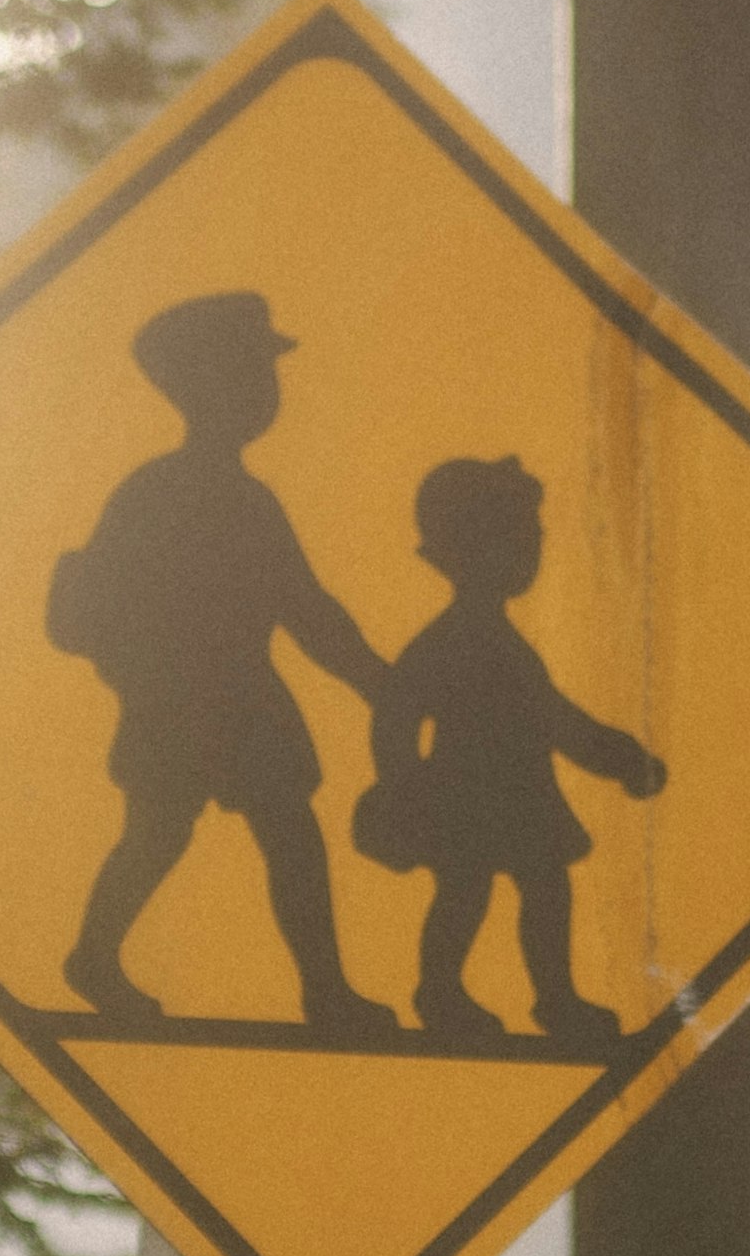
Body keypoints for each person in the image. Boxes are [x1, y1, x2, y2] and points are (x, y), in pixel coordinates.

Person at [50, 289, 394, 1036]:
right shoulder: (156, 492)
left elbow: (306, 608)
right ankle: (94, 956)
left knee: (288, 831)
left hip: (245, 696)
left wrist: (378, 683)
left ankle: (326, 990)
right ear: (205, 388)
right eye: (249, 375)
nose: (264, 393)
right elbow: (119, 601)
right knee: (160, 831)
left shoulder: (247, 497)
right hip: (176, 702)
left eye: (264, 377)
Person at [352, 453, 663, 1048]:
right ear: (473, 548)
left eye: (533, 535)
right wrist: (403, 786)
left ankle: (553, 998)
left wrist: (620, 757)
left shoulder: (500, 641)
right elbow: (398, 712)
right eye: (521, 536)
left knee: (543, 886)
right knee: (468, 889)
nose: (534, 547)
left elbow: (555, 721)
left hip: (521, 794)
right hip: (469, 794)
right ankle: (442, 990)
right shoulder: (456, 639)